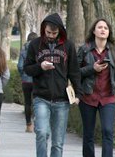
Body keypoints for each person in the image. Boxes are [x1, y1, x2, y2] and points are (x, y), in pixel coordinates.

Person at [24, 13, 83, 157]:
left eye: (54, 33)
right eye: (48, 32)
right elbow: (27, 68)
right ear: (44, 29)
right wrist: (40, 66)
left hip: (62, 100)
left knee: (57, 142)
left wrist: (78, 94)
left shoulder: (68, 46)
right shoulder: (35, 45)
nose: (51, 35)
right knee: (42, 133)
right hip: (41, 98)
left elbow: (74, 71)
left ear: (60, 31)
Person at [77, 18, 115, 157]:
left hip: (108, 98)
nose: (103, 30)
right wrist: (92, 68)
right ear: (94, 31)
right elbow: (75, 73)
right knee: (88, 134)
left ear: (108, 33)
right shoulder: (84, 49)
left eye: (106, 28)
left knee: (108, 131)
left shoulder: (114, 51)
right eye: (100, 27)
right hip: (87, 97)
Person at [18, 31, 39, 133]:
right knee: (37, 102)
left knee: (27, 103)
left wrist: (23, 75)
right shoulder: (39, 50)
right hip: (37, 81)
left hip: (26, 81)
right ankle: (37, 123)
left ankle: (28, 125)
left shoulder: (23, 51)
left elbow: (20, 66)